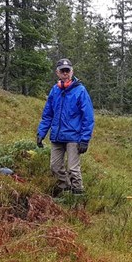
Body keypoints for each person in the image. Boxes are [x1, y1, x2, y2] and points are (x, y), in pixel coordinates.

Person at [36, 58, 95, 195]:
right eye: (62, 71)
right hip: (57, 136)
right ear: (57, 73)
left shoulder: (80, 91)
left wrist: (85, 139)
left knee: (73, 169)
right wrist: (41, 133)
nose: (65, 73)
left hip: (74, 137)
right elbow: (48, 114)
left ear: (71, 71)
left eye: (67, 70)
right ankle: (64, 190)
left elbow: (88, 117)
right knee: (55, 167)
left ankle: (78, 194)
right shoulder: (55, 90)